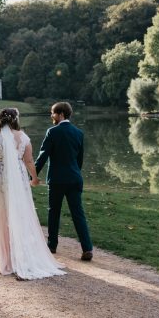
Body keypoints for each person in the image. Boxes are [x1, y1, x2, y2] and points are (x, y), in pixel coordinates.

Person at [0, 107, 66, 280]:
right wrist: (34, 178)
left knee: (2, 213)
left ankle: (7, 255)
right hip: (19, 179)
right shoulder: (24, 138)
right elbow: (29, 161)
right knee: (20, 213)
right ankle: (21, 252)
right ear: (16, 120)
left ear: (0, 120)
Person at [35, 101, 94, 260]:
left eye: (53, 113)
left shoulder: (52, 132)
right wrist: (74, 174)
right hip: (75, 178)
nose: (51, 116)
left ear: (61, 114)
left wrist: (32, 175)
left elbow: (43, 156)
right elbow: (79, 160)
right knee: (78, 214)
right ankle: (87, 248)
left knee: (54, 212)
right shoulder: (79, 133)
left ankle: (52, 246)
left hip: (57, 180)